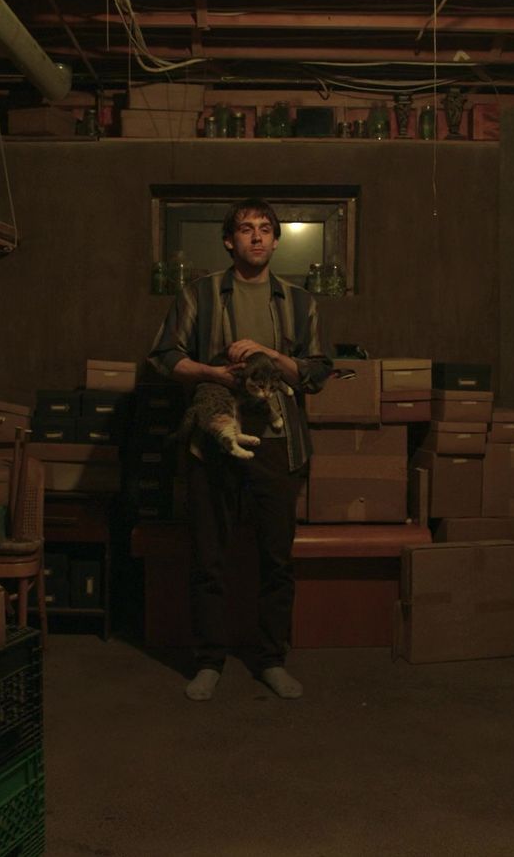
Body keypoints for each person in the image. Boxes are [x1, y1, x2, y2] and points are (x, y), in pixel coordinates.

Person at [148, 198, 333, 701]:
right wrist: (211, 373)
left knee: (277, 561)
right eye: (246, 230)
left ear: (275, 240)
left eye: (266, 229)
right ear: (229, 241)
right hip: (213, 445)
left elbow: (316, 373)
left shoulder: (299, 302)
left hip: (277, 447)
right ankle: (208, 661)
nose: (256, 237)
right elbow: (164, 357)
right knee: (208, 559)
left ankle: (271, 660)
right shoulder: (200, 294)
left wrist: (269, 353)